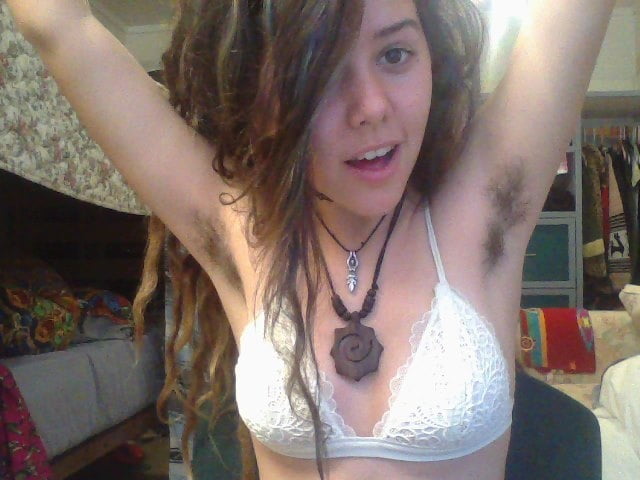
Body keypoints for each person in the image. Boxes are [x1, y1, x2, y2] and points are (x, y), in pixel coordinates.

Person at [6, 0, 615, 479]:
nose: (370, 106)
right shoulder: (242, 234)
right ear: (256, 96)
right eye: (317, 71)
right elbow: (58, 25)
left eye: (395, 54)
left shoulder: (484, 216)